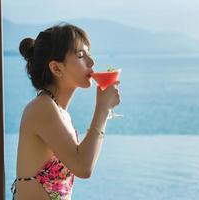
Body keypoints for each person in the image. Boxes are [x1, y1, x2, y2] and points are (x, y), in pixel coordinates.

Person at [11, 24, 120, 200]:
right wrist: (102, 109)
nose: (92, 62)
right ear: (56, 68)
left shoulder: (60, 113)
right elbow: (83, 167)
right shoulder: (41, 108)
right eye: (80, 55)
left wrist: (104, 110)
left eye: (89, 54)